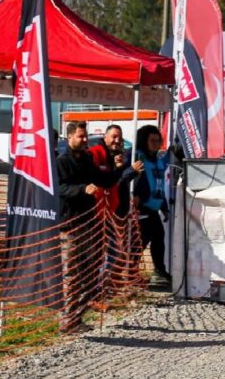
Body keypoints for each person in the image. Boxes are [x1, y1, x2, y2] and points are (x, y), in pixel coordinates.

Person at [57, 122, 124, 328]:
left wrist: (120, 170)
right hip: (70, 224)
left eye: (86, 137)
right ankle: (67, 319)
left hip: (89, 222)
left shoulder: (87, 159)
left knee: (90, 272)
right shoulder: (62, 161)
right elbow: (59, 188)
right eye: (80, 137)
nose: (85, 140)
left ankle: (77, 316)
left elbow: (103, 179)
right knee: (71, 273)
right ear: (69, 138)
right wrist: (81, 189)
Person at [133, 125, 171, 287]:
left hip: (154, 208)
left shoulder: (157, 160)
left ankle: (159, 271)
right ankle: (128, 272)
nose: (156, 144)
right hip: (141, 209)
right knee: (139, 242)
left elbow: (159, 186)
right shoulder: (137, 157)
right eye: (152, 141)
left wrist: (164, 207)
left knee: (158, 239)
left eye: (158, 141)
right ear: (144, 141)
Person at [88, 124, 143, 217]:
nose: (117, 141)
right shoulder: (96, 153)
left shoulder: (122, 155)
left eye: (120, 138)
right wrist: (130, 171)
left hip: (118, 208)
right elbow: (109, 181)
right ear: (105, 137)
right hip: (102, 210)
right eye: (114, 137)